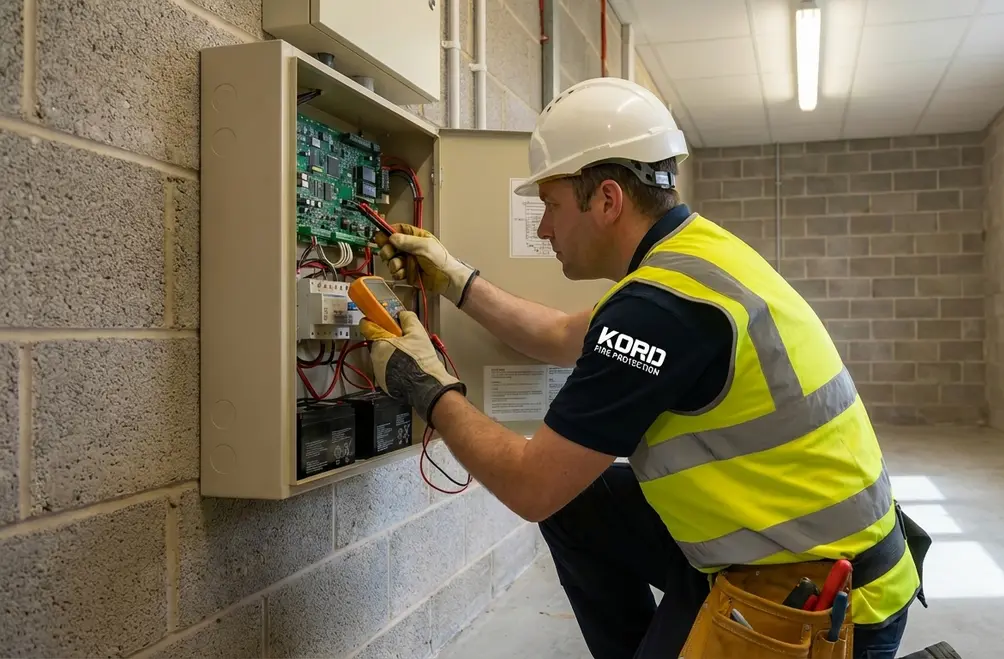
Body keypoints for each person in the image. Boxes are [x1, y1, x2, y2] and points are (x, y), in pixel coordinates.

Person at [359, 77, 926, 659]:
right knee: (579, 505)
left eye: (551, 206)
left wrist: (426, 386)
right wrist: (454, 278)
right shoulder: (691, 258)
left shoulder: (659, 307)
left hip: (820, 604)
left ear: (607, 200)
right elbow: (560, 336)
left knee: (558, 492)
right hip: (800, 548)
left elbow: (531, 486)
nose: (543, 228)